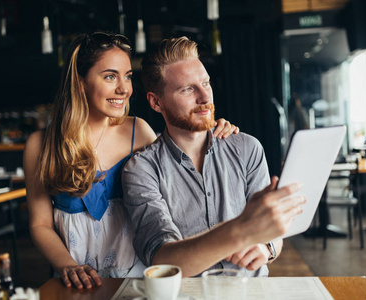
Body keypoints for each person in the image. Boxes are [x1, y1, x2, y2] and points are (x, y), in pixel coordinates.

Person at [23, 32, 238, 289]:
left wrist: (210, 130)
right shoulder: (41, 145)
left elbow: (184, 167)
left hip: (139, 277)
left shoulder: (139, 132)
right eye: (110, 76)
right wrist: (67, 266)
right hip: (76, 280)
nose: (124, 89)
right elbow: (39, 224)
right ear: (80, 82)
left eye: (127, 76)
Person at [122, 37, 306, 278]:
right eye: (188, 89)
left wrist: (267, 247)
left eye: (206, 83)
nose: (205, 98)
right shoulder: (141, 169)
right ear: (156, 102)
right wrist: (239, 231)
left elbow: (273, 234)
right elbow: (162, 258)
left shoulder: (247, 148)